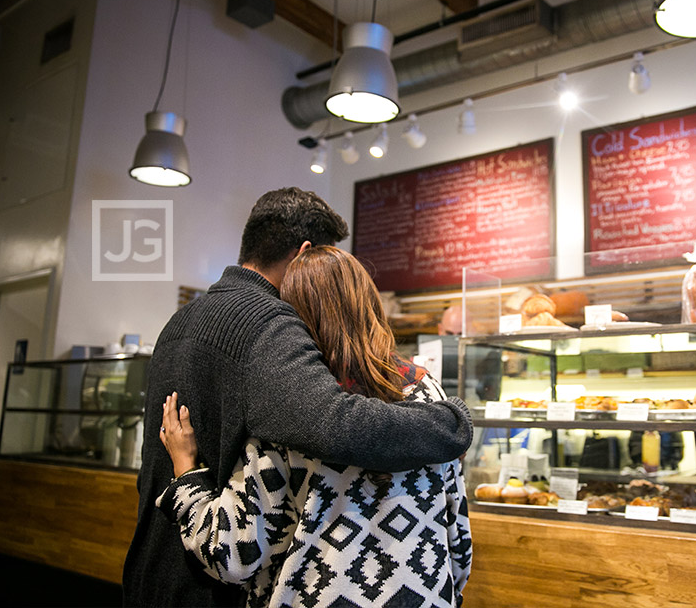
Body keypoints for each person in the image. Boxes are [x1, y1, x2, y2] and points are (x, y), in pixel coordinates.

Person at [123, 188, 472, 608]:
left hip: (161, 561)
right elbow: (335, 422)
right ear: (303, 254)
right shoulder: (270, 324)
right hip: (205, 590)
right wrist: (451, 422)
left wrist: (184, 470)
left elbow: (241, 544)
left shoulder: (180, 320)